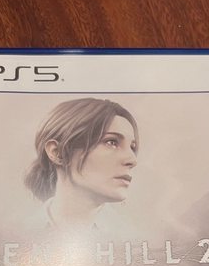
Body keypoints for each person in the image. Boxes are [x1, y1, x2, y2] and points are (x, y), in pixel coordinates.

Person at [24, 97, 139, 232]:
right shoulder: (17, 231)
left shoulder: (131, 237)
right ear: (57, 152)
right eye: (111, 142)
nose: (133, 160)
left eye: (132, 147)